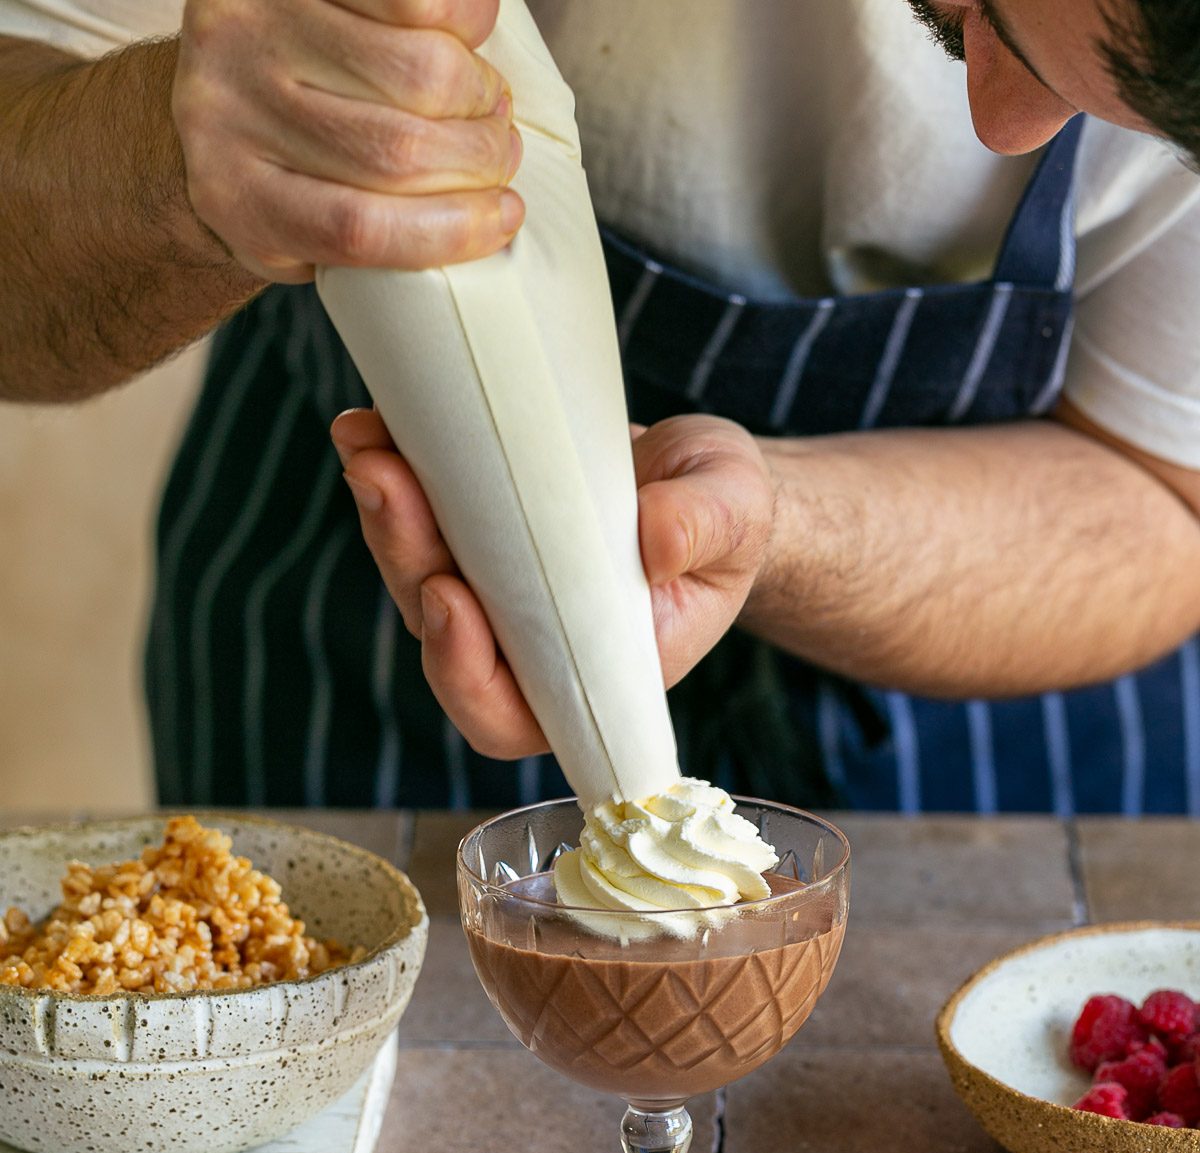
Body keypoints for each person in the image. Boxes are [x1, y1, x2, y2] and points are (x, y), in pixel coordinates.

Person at [3, 0, 1200, 813]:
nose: (1002, 127)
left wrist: (764, 524)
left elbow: (1168, 500)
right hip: (355, 684)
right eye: (985, 21)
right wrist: (174, 161)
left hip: (1001, 783)